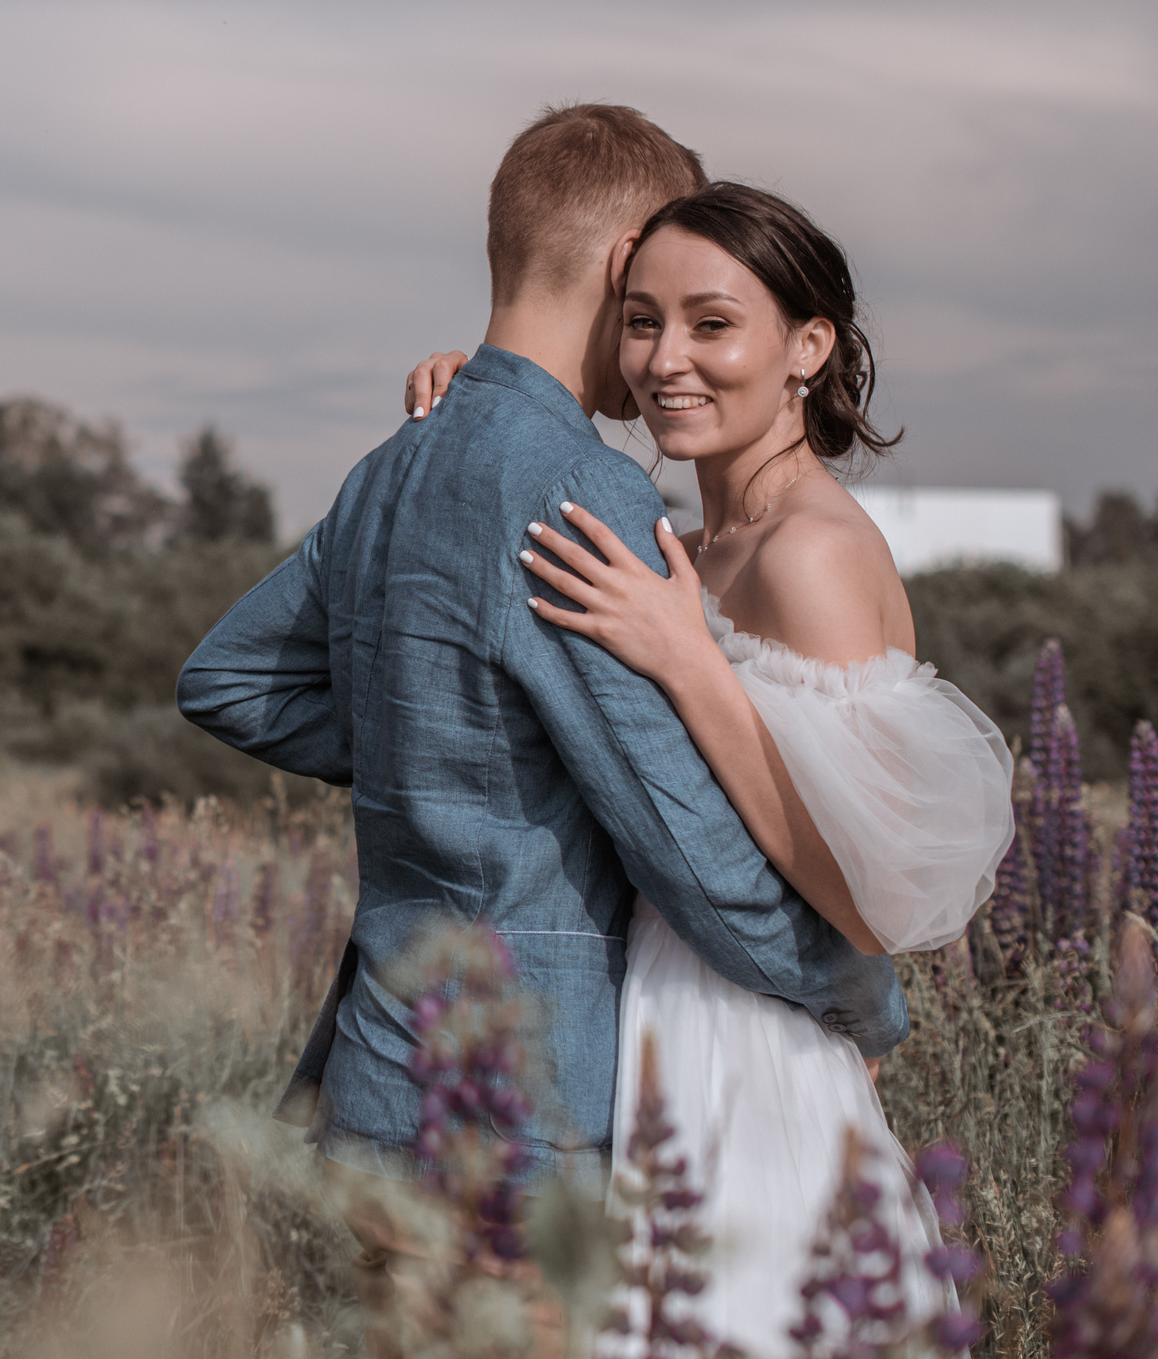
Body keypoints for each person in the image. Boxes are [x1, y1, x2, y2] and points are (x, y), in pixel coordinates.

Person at [176, 105, 908, 1355]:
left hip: (377, 1084)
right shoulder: (580, 490)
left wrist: (446, 735)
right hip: (519, 1109)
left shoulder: (392, 463)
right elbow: (681, 839)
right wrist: (858, 999)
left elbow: (228, 677)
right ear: (631, 258)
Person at [400, 180, 1012, 1351]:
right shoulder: (686, 545)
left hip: (751, 1041)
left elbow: (864, 898)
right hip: (648, 1008)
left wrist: (691, 666)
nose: (665, 359)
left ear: (807, 346)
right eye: (640, 321)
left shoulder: (812, 554)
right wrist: (473, 397)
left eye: (711, 323)